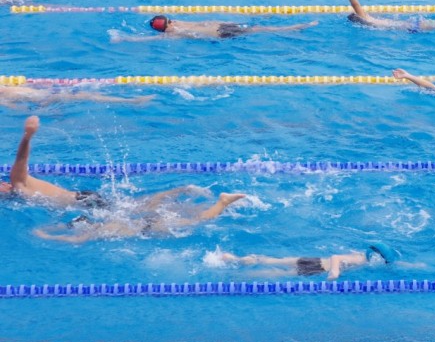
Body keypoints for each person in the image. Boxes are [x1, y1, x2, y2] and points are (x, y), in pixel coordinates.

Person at [2, 116, 220, 213]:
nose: (2, 185)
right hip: (84, 199)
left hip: (85, 202)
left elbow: (21, 160)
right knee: (135, 206)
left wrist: (28, 135)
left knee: (137, 210)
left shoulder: (19, 185)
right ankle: (183, 193)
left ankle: (186, 195)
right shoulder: (18, 196)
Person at [32, 190, 246, 243]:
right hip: (145, 222)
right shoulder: (104, 223)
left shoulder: (97, 231)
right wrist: (47, 229)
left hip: (149, 228)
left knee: (198, 221)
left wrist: (45, 235)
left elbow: (75, 240)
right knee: (193, 217)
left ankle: (223, 202)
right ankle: (220, 204)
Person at [218, 242, 401, 280]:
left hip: (314, 260)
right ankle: (241, 277)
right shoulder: (361, 259)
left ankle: (236, 260)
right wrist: (335, 272)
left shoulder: (361, 254)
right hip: (316, 268)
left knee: (274, 261)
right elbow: (336, 257)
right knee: (277, 273)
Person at [113, 16, 318, 41]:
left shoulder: (173, 29)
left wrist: (125, 38)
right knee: (258, 28)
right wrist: (125, 39)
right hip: (221, 31)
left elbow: (150, 37)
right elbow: (148, 39)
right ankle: (293, 28)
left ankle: (292, 28)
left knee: (257, 27)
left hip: (220, 28)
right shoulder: (174, 30)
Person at [0, 85, 153, 107]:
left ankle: (130, 100)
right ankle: (131, 101)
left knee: (90, 94)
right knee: (88, 95)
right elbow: (18, 109)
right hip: (49, 98)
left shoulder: (4, 90)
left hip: (49, 94)